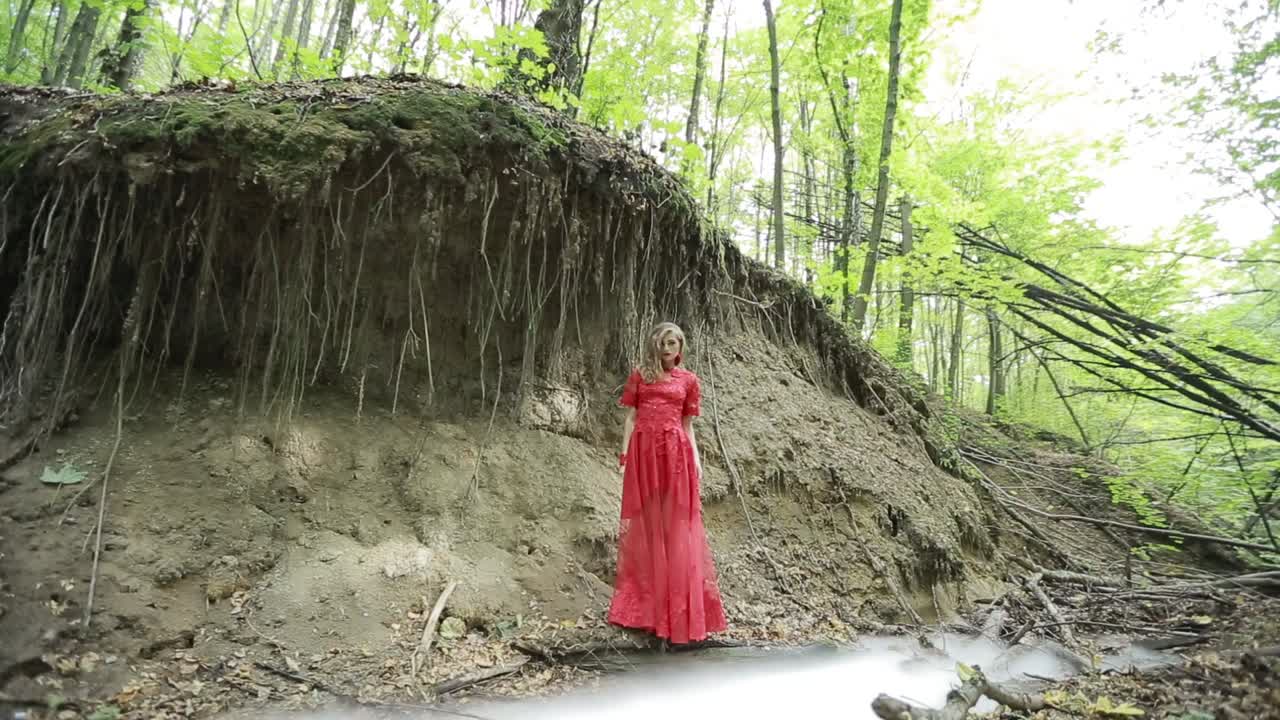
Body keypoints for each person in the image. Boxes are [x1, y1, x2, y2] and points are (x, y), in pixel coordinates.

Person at [608, 322, 727, 644]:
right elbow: (631, 418)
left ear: (680, 346)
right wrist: (623, 455)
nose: (666, 348)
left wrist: (697, 459)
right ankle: (645, 608)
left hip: (677, 454)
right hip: (644, 452)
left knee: (677, 525)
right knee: (647, 522)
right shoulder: (640, 375)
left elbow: (688, 425)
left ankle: (680, 612)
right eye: (661, 342)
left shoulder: (689, 380)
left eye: (672, 342)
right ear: (654, 345)